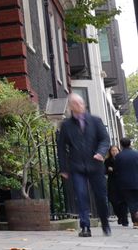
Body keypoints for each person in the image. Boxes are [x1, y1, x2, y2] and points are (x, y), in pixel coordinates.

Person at [57, 93, 111, 237]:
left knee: (100, 196)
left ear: (84, 104)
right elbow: (61, 147)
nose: (78, 106)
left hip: (96, 165)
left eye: (80, 103)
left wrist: (101, 152)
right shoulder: (66, 125)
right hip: (77, 167)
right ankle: (85, 226)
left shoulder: (95, 121)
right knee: (81, 195)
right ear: (70, 107)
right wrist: (63, 168)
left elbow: (105, 140)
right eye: (74, 104)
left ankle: (105, 222)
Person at [113, 137, 138, 227]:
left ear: (121, 145)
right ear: (130, 144)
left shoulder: (119, 156)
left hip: (125, 183)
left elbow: (116, 169)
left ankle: (135, 221)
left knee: (131, 202)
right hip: (136, 180)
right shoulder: (136, 154)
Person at [106, 145, 128, 226]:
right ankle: (120, 216)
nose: (114, 152)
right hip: (112, 183)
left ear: (119, 151)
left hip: (122, 182)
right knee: (113, 201)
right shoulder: (107, 161)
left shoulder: (123, 159)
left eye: (116, 150)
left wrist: (113, 169)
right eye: (112, 150)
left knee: (123, 201)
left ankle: (125, 219)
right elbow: (105, 171)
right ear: (110, 152)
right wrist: (109, 170)